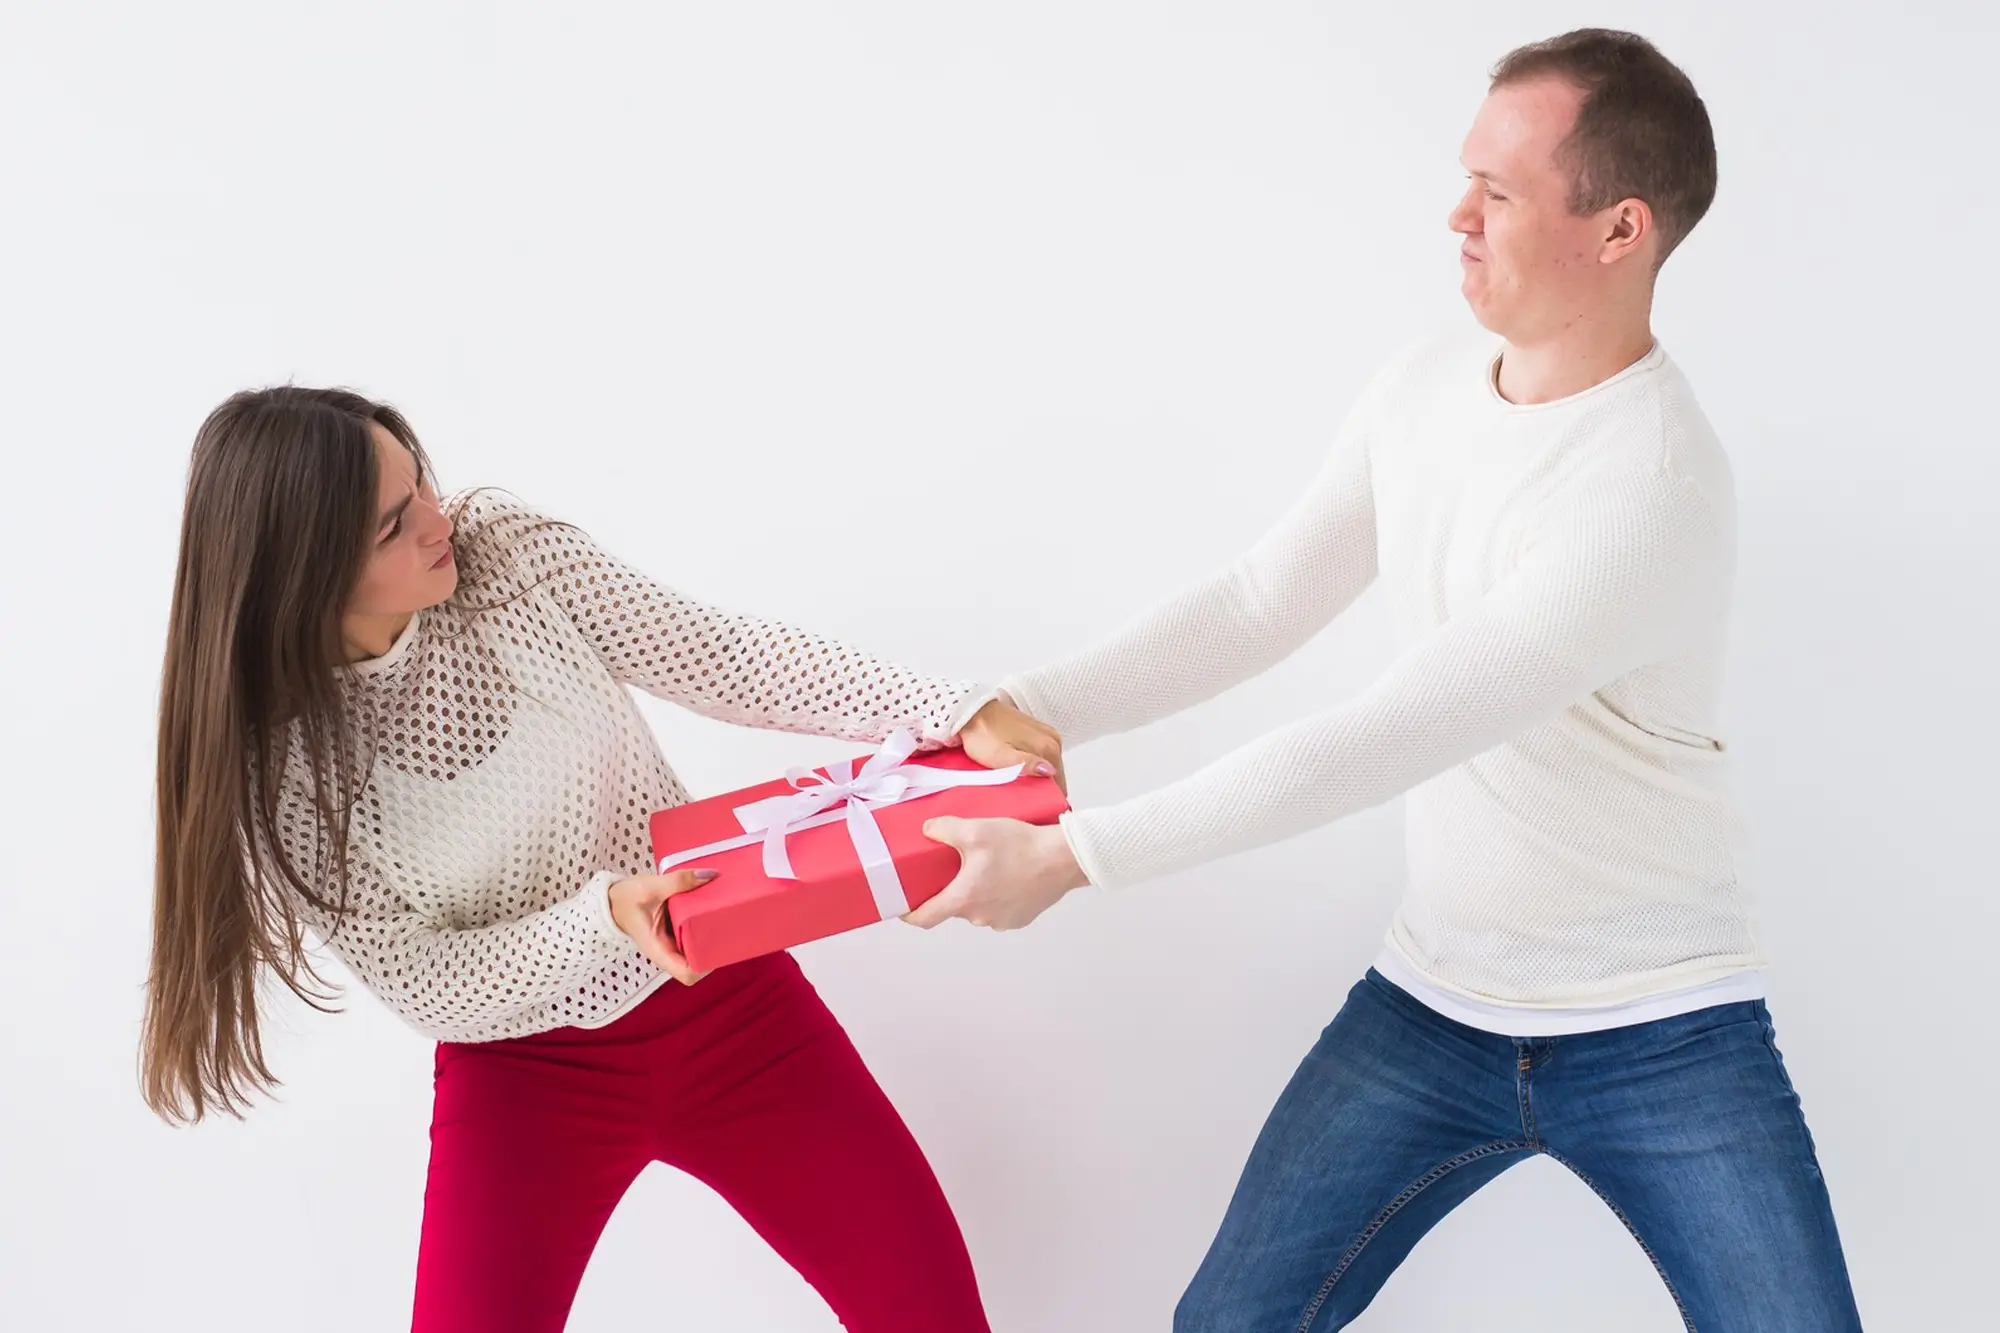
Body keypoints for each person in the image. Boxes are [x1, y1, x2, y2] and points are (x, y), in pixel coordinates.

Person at [912, 29, 1865, 1332]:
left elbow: (1375, 740)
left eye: (1503, 192)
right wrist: (1031, 706)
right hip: (1433, 1013)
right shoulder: (1419, 394)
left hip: (1664, 1033)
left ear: (1620, 229)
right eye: (1465, 176)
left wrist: (1075, 855)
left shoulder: (1649, 489)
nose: (1457, 215)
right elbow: (1258, 601)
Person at [140, 386, 1061, 1333]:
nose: (435, 519)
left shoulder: (503, 552)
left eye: (421, 482)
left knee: (928, 1309)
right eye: (392, 525)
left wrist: (952, 709)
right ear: (306, 575)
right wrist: (607, 915)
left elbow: (718, 653)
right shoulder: (283, 767)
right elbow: (426, 982)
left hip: (730, 1006)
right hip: (525, 1076)